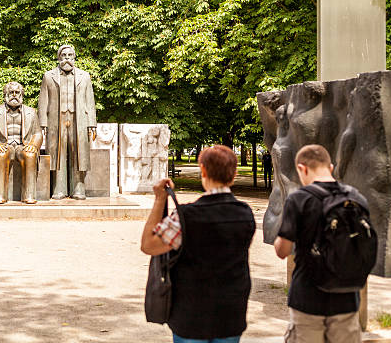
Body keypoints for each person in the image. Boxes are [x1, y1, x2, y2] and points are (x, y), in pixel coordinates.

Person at [141, 145, 255, 343]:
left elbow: (149, 245)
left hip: (191, 314)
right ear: (234, 174)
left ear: (203, 170)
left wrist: (160, 199)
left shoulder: (185, 217)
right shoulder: (245, 213)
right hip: (231, 313)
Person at [274, 144, 362, 343]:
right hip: (347, 298)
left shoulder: (299, 199)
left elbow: (283, 250)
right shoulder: (355, 198)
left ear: (302, 169)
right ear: (330, 167)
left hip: (307, 298)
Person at [37, 45, 97, 200]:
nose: (67, 58)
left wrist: (92, 123)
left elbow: (90, 100)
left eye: (70, 55)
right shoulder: (48, 76)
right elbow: (43, 100)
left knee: (79, 154)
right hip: (56, 120)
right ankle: (59, 189)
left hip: (79, 120)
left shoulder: (85, 76)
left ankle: (78, 188)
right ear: (59, 58)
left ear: (74, 58)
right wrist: (42, 122)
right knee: (58, 154)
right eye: (63, 55)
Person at [0, 82, 43, 204]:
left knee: (30, 155)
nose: (14, 95)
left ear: (22, 94)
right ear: (5, 94)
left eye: (17, 92)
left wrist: (33, 145)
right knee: (0, 155)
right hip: (4, 145)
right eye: (11, 92)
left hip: (23, 145)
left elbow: (37, 133)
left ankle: (29, 195)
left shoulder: (31, 112)